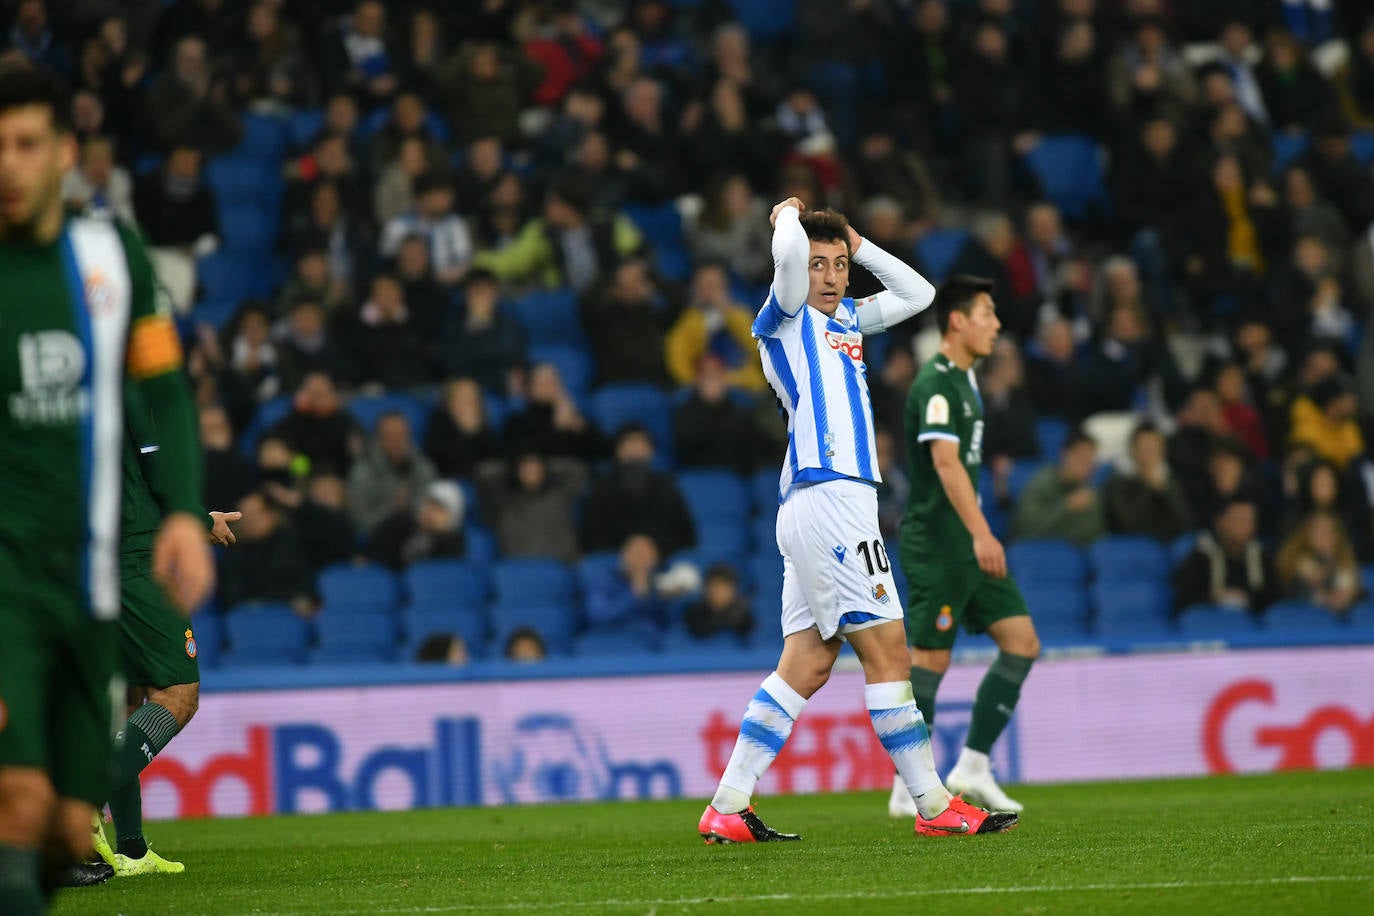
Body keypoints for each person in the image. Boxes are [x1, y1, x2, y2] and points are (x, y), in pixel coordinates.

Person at [698, 200, 1016, 845]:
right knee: (890, 651)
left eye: (840, 265)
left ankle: (728, 804)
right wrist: (785, 220)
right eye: (821, 266)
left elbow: (919, 292)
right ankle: (933, 804)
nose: (833, 276)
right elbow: (787, 257)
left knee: (808, 664)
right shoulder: (782, 318)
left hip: (822, 505)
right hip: (831, 499)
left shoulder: (845, 320)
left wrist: (859, 243)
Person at [0, 67, 213, 907]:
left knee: (56, 827)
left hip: (96, 572)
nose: (8, 165)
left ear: (64, 154)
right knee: (22, 802)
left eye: (25, 144)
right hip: (13, 571)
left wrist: (187, 517)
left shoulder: (109, 256)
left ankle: (95, 828)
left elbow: (160, 390)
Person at [890, 274, 1040, 821]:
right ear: (958, 320)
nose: (996, 324)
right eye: (987, 313)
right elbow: (946, 463)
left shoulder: (966, 379)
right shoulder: (935, 383)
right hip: (941, 543)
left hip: (970, 542)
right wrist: (981, 532)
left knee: (1021, 641)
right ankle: (910, 783)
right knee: (931, 655)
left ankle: (973, 764)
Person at [87, 396, 241, 879]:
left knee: (129, 703)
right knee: (177, 694)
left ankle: (131, 851)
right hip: (135, 560)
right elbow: (160, 475)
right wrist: (202, 519)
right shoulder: (130, 391)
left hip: (94, 560)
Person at [1172, 499, 1280, 615]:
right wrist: (1214, 598)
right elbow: (1184, 598)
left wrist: (1248, 599)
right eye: (1237, 520)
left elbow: (1275, 598)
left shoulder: (1262, 556)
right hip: (1210, 626)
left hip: (1253, 628)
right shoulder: (1202, 556)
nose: (1244, 526)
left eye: (1249, 520)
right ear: (1220, 522)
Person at [1012, 430, 1106, 547]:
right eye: (1081, 457)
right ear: (1065, 454)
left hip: (1069, 554)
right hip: (1035, 550)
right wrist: (1067, 506)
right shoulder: (1042, 481)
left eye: (1091, 460)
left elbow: (1092, 535)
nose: (1087, 465)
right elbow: (1026, 528)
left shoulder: (1089, 492)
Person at [1103, 422, 1192, 541]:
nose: (1149, 454)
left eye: (1154, 447)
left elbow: (1186, 522)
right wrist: (1147, 487)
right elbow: (1128, 523)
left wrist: (1166, 490)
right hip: (1135, 548)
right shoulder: (1118, 482)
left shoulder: (1174, 479)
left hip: (1172, 544)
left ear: (1163, 450)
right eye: (1144, 448)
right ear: (1133, 450)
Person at [1276, 512, 1362, 615]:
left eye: (1328, 532)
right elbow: (1291, 593)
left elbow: (1354, 592)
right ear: (1308, 535)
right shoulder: (1294, 563)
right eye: (1318, 532)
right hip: (1303, 621)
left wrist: (1346, 596)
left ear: (1337, 536)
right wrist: (1323, 598)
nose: (1323, 537)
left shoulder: (1345, 564)